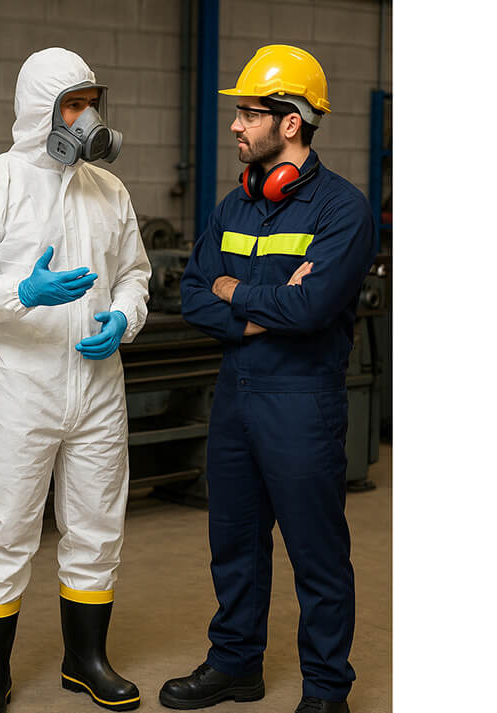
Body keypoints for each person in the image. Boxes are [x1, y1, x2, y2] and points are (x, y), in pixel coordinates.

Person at [0, 47, 151, 713]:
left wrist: (123, 317)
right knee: (6, 529)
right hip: (20, 390)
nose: (88, 118)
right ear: (41, 110)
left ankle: (85, 659)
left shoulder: (109, 190)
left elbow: (136, 273)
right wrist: (22, 291)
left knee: (96, 526)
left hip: (96, 387)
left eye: (92, 102)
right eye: (74, 105)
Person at [160, 45, 376, 713]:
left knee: (316, 552)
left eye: (247, 114)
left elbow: (312, 308)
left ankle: (326, 690)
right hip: (237, 397)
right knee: (234, 538)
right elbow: (191, 294)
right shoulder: (235, 205)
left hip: (301, 402)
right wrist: (259, 306)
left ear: (290, 122)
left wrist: (236, 294)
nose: (235, 126)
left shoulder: (345, 210)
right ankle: (235, 664)